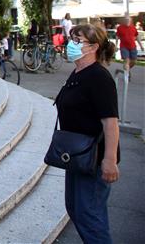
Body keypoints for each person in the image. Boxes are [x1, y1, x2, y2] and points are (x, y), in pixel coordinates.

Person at [59, 24, 120, 243]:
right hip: (76, 156)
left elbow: (111, 123)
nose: (70, 44)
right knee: (75, 209)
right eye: (71, 39)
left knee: (90, 216)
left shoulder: (99, 77)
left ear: (93, 47)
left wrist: (110, 160)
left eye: (77, 41)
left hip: (94, 158)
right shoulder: (78, 72)